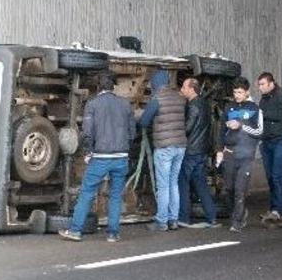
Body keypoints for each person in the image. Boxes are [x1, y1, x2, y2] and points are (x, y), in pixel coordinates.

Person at [60, 72, 135, 243]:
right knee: (116, 195)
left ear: (98, 87)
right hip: (121, 157)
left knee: (87, 192)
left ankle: (75, 231)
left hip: (100, 157)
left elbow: (87, 133)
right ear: (112, 87)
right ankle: (113, 234)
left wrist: (88, 152)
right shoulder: (125, 104)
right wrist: (125, 149)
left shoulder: (92, 105)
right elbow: (132, 133)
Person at [139, 70, 188, 231]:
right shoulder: (180, 97)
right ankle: (173, 220)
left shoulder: (156, 99)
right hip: (180, 146)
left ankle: (161, 221)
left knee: (163, 185)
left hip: (164, 147)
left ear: (155, 84)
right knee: (173, 183)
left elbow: (144, 121)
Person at [218, 77, 263, 232]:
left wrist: (242, 125)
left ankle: (237, 222)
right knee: (229, 189)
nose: (237, 95)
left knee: (239, 190)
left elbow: (260, 132)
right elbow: (221, 131)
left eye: (240, 92)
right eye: (235, 92)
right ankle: (239, 213)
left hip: (246, 156)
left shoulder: (255, 109)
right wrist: (219, 150)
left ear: (247, 92)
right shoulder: (228, 108)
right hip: (229, 154)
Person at [177, 78, 219, 229]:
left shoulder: (193, 106)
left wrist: (177, 129)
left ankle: (183, 217)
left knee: (183, 183)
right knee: (201, 184)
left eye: (184, 87)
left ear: (192, 89)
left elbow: (187, 128)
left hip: (191, 151)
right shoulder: (205, 104)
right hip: (202, 150)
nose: (182, 89)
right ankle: (212, 216)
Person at [256, 72, 282, 222]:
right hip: (266, 141)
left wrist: (263, 114)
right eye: (259, 85)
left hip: (280, 141)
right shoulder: (263, 99)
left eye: (262, 84)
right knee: (271, 177)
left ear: (271, 83)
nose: (260, 88)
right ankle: (273, 208)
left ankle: (278, 210)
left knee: (278, 175)